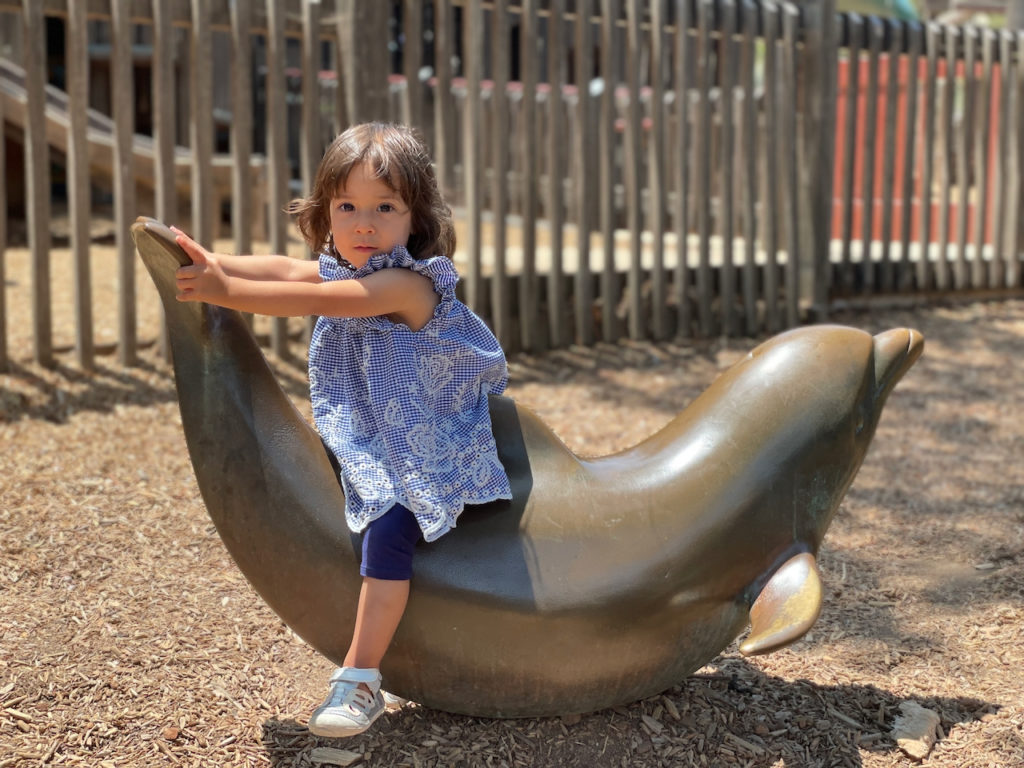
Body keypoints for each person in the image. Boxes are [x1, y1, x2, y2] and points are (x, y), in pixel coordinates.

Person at [172, 122, 512, 737]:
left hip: (426, 439)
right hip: (374, 428)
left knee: (389, 525)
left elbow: (322, 300)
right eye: (347, 206)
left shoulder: (404, 284)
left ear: (416, 218)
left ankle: (360, 679)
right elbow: (290, 271)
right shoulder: (344, 264)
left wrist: (225, 290)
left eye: (385, 208)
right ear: (326, 210)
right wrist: (215, 261)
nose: (363, 223)